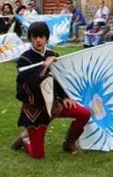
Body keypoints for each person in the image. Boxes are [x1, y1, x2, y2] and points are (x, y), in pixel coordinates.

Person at [11, 20, 90, 159]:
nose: (38, 40)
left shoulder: (52, 54)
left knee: (84, 113)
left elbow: (59, 79)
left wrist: (65, 97)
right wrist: (45, 66)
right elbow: (31, 83)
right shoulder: (24, 59)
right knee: (38, 155)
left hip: (54, 105)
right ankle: (25, 139)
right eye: (35, 37)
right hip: (36, 110)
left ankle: (69, 143)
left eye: (41, 36)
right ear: (30, 38)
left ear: (46, 38)